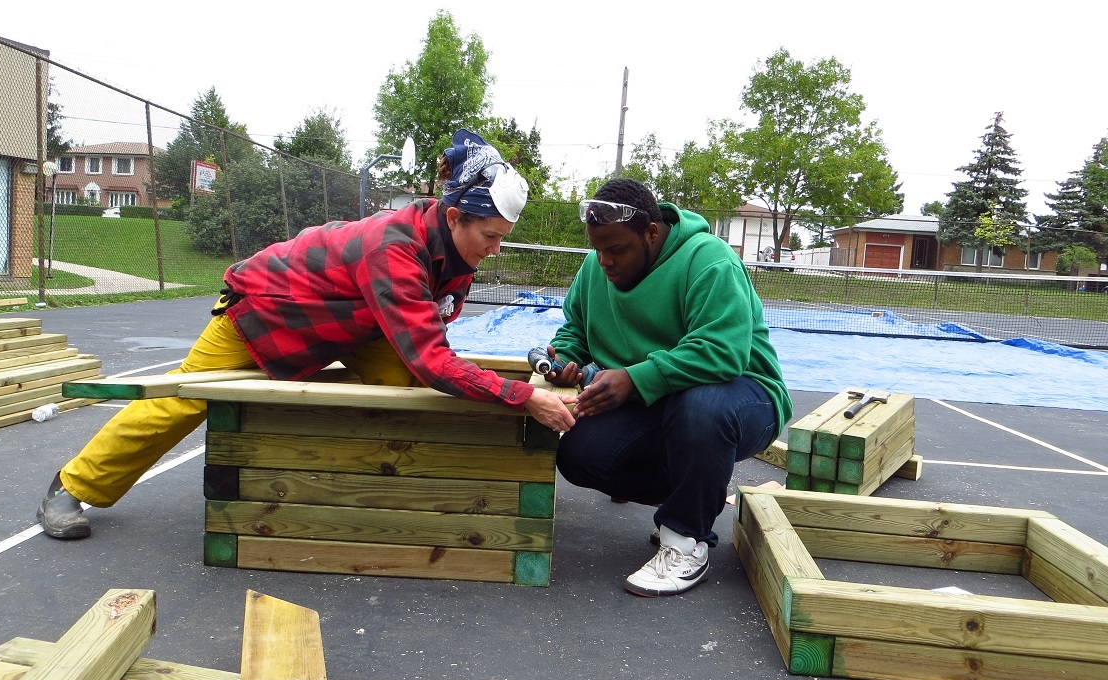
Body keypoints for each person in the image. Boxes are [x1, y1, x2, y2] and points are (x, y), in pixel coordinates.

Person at [38, 129, 577, 539]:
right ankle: (74, 485)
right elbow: (435, 359)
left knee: (406, 389)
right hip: (264, 314)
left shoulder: (454, 245)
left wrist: (488, 384)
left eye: (502, 238)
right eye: (490, 236)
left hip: (354, 322)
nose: (496, 249)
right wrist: (522, 395)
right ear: (455, 215)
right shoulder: (395, 247)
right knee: (182, 399)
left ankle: (367, 491)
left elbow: (428, 349)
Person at [541, 178, 792, 597]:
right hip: (660, 402)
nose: (604, 261)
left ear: (651, 233)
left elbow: (722, 352)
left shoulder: (710, 261)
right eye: (598, 248)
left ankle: (685, 540)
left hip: (743, 396)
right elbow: (576, 330)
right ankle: (696, 487)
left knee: (699, 407)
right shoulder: (595, 267)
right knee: (580, 454)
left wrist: (635, 378)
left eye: (617, 249)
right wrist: (565, 358)